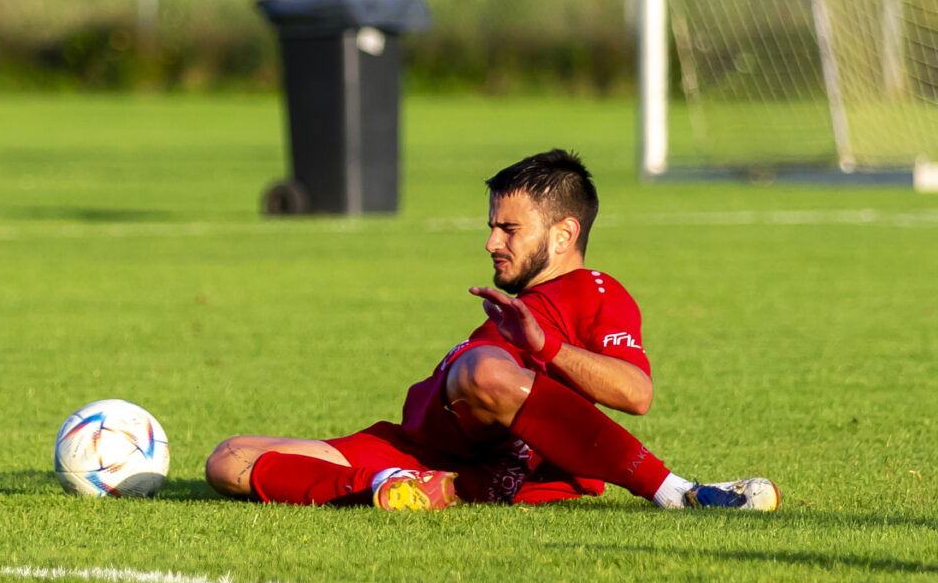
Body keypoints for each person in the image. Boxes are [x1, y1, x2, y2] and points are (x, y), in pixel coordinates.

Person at [205, 149, 779, 511]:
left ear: (563, 234)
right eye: (491, 226)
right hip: (416, 445)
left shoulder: (594, 292)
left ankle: (675, 492)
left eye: (508, 228)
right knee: (227, 460)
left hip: (487, 442)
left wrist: (544, 347)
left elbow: (636, 393)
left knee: (479, 370)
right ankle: (391, 485)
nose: (490, 242)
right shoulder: (520, 301)